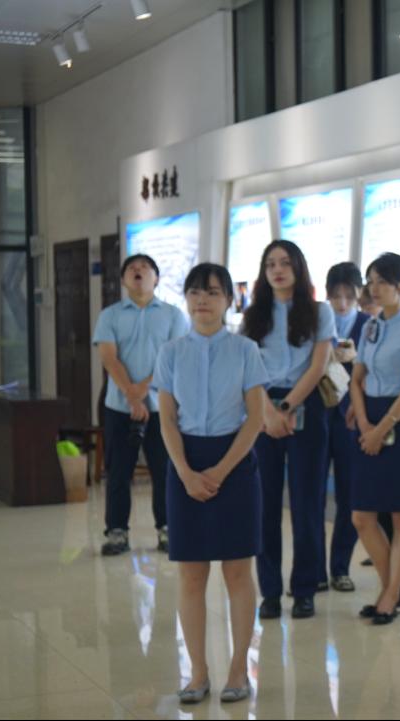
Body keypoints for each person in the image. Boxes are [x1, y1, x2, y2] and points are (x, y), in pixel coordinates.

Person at [153, 263, 268, 704]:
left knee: (238, 571)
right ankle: (198, 672)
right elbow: (167, 419)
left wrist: (220, 471)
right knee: (191, 574)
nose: (203, 300)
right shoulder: (171, 352)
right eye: (196, 292)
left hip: (234, 462)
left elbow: (255, 418)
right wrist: (184, 471)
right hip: (185, 461)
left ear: (228, 301)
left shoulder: (245, 350)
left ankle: (238, 669)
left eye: (214, 292)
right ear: (186, 298)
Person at [241, 240, 335, 620]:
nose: (277, 270)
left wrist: (285, 408)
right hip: (262, 407)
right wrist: (268, 410)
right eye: (270, 264)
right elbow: (248, 367)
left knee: (306, 504)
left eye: (284, 263)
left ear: (298, 267)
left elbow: (319, 365)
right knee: (263, 505)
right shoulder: (254, 315)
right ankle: (270, 592)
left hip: (305, 405)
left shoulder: (319, 311)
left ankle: (305, 589)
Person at [348, 252, 400, 625]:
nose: (374, 288)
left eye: (382, 281)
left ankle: (389, 596)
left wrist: (380, 430)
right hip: (369, 419)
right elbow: (356, 379)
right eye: (371, 281)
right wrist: (365, 424)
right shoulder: (370, 326)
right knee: (361, 516)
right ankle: (393, 590)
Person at [92, 253, 189, 555]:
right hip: (119, 407)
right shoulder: (110, 315)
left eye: (145, 268)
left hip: (163, 407)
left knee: (165, 471)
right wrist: (132, 395)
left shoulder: (174, 315)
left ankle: (167, 528)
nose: (138, 271)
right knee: (118, 473)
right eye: (131, 268)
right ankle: (117, 532)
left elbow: (173, 359)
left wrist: (143, 391)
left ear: (156, 278)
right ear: (123, 280)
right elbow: (109, 357)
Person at [324, 262, 370, 592]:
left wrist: (353, 361)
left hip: (352, 419)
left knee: (349, 495)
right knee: (310, 496)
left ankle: (340, 567)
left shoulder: (369, 326)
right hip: (316, 416)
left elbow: (374, 373)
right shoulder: (316, 322)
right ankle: (312, 571)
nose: (342, 303)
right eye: (336, 295)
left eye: (348, 296)